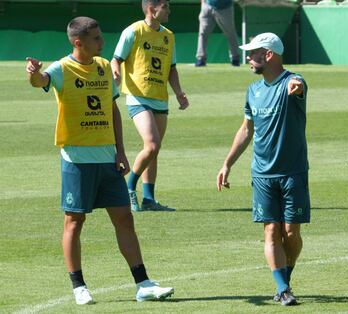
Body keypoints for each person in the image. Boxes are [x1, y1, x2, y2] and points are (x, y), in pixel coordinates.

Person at [26, 16, 174, 305]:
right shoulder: (61, 68)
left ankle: (143, 284)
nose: (102, 42)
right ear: (78, 42)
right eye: (96, 38)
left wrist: (120, 150)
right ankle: (79, 286)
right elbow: (40, 81)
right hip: (77, 160)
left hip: (108, 159)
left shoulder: (105, 67)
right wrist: (33, 72)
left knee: (124, 219)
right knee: (74, 221)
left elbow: (112, 109)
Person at [216, 33, 310, 306]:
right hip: (262, 174)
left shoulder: (293, 81)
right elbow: (246, 130)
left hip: (293, 172)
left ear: (268, 55)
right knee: (271, 230)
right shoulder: (253, 91)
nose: (249, 58)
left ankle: (285, 278)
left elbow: (298, 85)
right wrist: (227, 164)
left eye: (254, 53)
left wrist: (297, 87)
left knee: (291, 234)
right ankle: (282, 289)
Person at [111, 0, 189, 212]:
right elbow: (116, 59)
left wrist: (179, 92)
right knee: (152, 144)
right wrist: (116, 72)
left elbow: (171, 68)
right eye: (166, 7)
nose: (170, 11)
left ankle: (148, 199)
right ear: (152, 9)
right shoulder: (134, 31)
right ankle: (129, 187)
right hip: (138, 96)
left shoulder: (168, 36)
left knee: (153, 151)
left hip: (160, 98)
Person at [195, 0, 240, 67]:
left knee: (230, 34)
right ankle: (200, 59)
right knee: (202, 34)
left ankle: (235, 59)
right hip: (206, 6)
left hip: (224, 8)